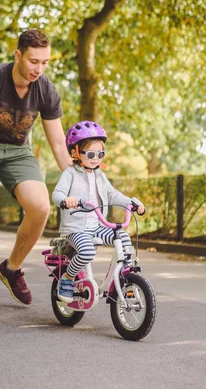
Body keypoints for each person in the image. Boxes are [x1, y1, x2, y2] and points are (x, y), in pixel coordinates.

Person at [0, 29, 71, 323]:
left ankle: (12, 267)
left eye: (45, 62)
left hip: (18, 150)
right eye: (34, 61)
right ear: (17, 55)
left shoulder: (45, 89)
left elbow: (59, 144)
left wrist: (79, 176)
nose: (39, 69)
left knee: (40, 207)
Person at [51, 121, 145, 303]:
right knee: (86, 252)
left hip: (98, 227)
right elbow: (57, 194)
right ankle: (67, 279)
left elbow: (112, 195)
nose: (96, 158)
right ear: (75, 152)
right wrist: (66, 200)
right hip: (76, 229)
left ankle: (124, 277)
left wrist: (131, 203)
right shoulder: (70, 174)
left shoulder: (100, 176)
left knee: (124, 238)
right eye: (91, 153)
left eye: (100, 154)